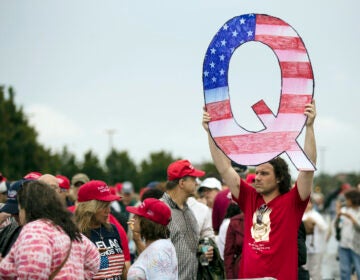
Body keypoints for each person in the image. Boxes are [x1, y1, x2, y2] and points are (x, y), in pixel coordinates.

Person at [202, 100, 317, 279]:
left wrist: (309, 127)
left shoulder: (293, 201)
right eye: (256, 173)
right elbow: (225, 168)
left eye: (264, 173)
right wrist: (211, 132)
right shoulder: (250, 198)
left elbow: (308, 168)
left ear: (279, 178)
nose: (257, 177)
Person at [0, 180, 100, 278]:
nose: (14, 215)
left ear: (27, 208)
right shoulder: (66, 228)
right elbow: (94, 261)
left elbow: (32, 273)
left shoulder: (34, 232)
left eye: (19, 209)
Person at [161, 159, 213, 280]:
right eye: (194, 179)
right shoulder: (161, 210)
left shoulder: (188, 209)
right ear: (182, 183)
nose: (197, 183)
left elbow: (193, 245)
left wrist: (203, 251)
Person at [74, 180, 130, 279]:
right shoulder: (77, 236)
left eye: (109, 205)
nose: (108, 211)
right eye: (103, 206)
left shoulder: (112, 229)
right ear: (89, 208)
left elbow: (122, 269)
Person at [126, 198, 178, 280]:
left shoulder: (158, 251)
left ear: (147, 222)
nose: (134, 217)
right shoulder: (159, 246)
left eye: (139, 215)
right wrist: (137, 239)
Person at [335, 188, 360, 280]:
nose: (346, 201)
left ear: (353, 199)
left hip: (356, 246)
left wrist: (351, 218)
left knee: (358, 269)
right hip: (343, 245)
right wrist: (337, 217)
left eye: (347, 199)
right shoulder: (344, 210)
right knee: (344, 270)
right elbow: (337, 227)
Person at [302, 196, 328, 280]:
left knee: (315, 271)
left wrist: (314, 221)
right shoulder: (299, 214)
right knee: (303, 269)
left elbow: (324, 227)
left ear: (312, 204)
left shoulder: (316, 215)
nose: (306, 205)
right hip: (303, 248)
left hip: (316, 247)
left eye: (309, 203)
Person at [223, 203, 243, 279]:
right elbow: (229, 254)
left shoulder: (268, 220)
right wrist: (230, 277)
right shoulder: (235, 222)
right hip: (240, 272)